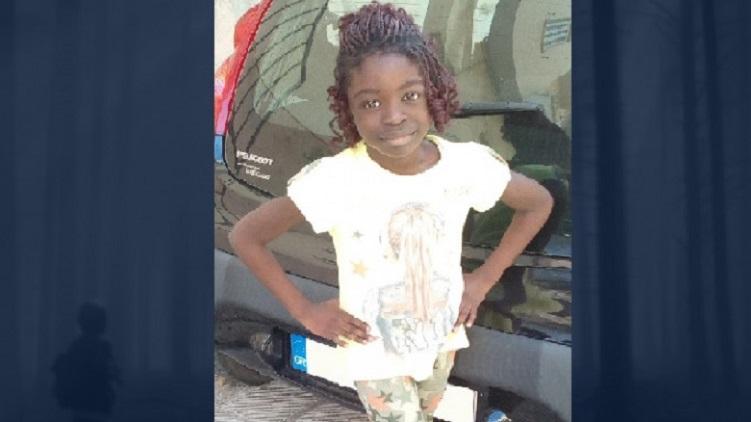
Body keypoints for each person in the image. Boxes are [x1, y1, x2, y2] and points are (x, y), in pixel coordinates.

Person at [229, 3, 553, 421]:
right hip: (375, 355)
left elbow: (537, 203)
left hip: (441, 341)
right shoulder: (337, 178)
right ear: (348, 108)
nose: (394, 116)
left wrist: (482, 280)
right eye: (370, 103)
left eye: (410, 96)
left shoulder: (466, 166)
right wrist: (305, 311)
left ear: (432, 93)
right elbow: (246, 236)